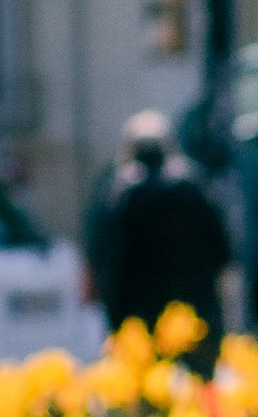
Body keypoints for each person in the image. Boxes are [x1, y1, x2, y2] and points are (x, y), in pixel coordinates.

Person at [92, 113, 233, 370]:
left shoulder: (120, 193)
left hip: (140, 330)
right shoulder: (194, 186)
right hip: (195, 324)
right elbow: (223, 252)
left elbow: (105, 261)